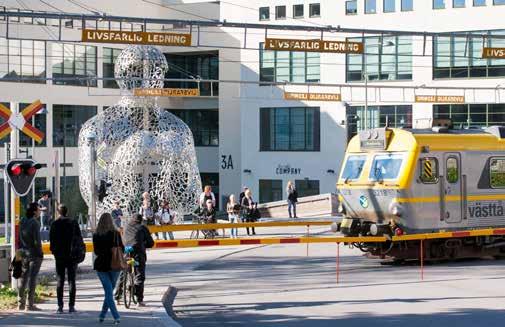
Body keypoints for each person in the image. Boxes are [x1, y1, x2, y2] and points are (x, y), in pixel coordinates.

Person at [49, 204, 84, 314]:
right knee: (71, 280)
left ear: (58, 212)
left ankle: (60, 306)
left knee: (60, 280)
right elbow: (79, 238)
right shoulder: (73, 223)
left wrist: (55, 252)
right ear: (66, 211)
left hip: (59, 256)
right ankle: (71, 306)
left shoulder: (54, 224)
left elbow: (52, 240)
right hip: (72, 255)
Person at [93, 213, 124, 324]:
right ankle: (116, 316)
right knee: (109, 292)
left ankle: (102, 315)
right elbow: (122, 249)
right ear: (111, 221)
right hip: (115, 265)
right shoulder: (116, 233)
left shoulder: (96, 234)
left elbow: (96, 251)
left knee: (108, 292)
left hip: (101, 266)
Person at [117, 214, 154, 307]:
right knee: (139, 275)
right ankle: (139, 300)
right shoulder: (142, 228)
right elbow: (151, 243)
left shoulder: (125, 227)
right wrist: (144, 244)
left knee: (123, 273)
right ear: (140, 220)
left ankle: (118, 296)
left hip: (126, 252)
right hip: (137, 254)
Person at [17, 202, 43, 311]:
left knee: (22, 278)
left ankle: (20, 303)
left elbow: (19, 237)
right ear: (34, 211)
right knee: (32, 279)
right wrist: (40, 253)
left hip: (23, 252)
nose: (39, 211)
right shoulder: (35, 223)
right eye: (38, 209)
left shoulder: (22, 221)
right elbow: (37, 240)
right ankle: (30, 304)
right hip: (33, 254)